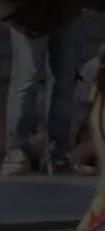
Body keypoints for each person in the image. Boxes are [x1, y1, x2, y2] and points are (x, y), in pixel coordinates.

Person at [2, 14, 81, 175]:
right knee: (27, 75)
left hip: (66, 9)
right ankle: (17, 151)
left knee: (64, 78)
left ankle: (58, 154)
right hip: (31, 8)